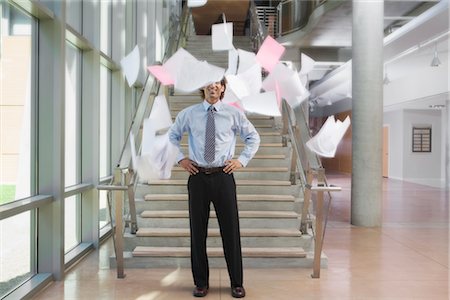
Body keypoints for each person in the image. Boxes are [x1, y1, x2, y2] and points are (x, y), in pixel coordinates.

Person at [168, 79, 260, 298]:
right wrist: (180, 159)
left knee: (231, 231)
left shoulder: (233, 113)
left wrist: (242, 161)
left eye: (218, 83)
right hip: (197, 177)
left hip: (224, 177)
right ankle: (201, 283)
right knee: (197, 232)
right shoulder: (188, 114)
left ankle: (237, 282)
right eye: (209, 83)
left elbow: (253, 137)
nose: (213, 87)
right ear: (202, 87)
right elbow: (171, 137)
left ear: (223, 88)